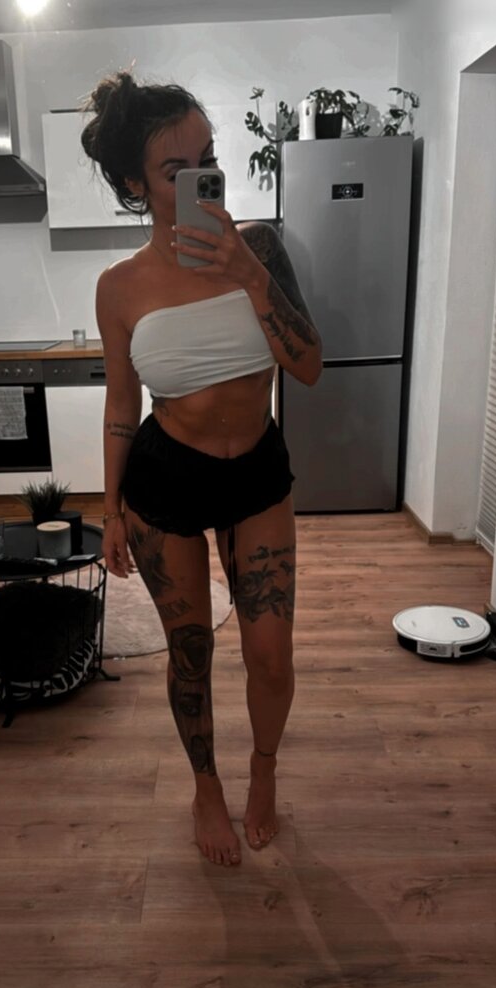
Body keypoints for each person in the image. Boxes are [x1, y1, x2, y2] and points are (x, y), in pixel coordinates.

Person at [82, 72, 322, 868]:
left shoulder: (260, 249)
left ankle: (263, 771)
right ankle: (207, 787)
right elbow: (123, 404)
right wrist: (109, 511)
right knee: (190, 653)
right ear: (134, 185)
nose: (200, 179)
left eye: (208, 159)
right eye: (173, 170)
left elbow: (309, 365)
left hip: (257, 471)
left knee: (271, 654)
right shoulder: (118, 288)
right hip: (165, 478)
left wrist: (248, 275)